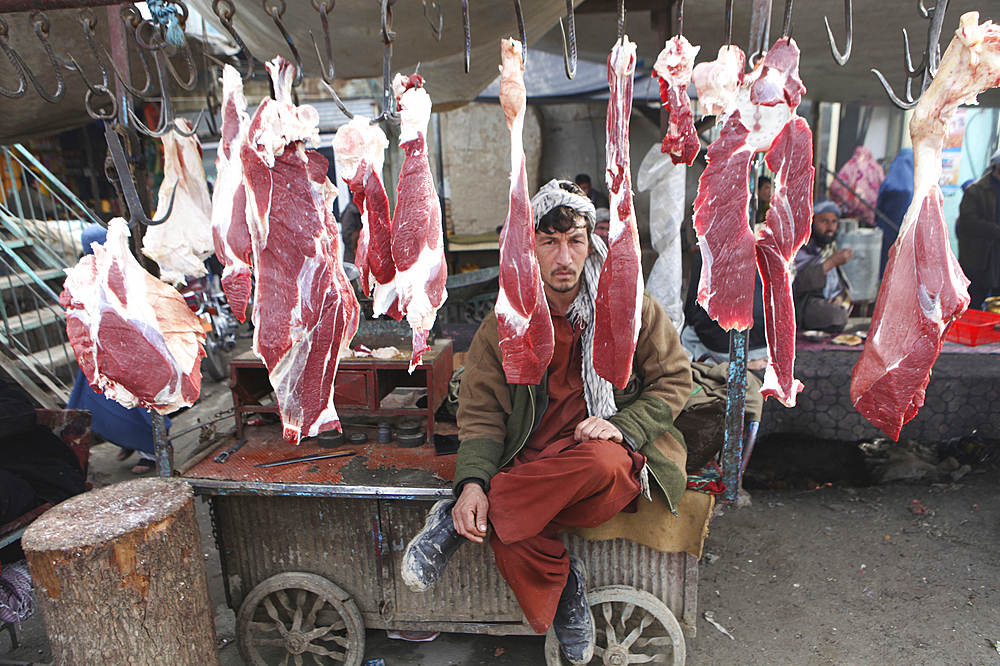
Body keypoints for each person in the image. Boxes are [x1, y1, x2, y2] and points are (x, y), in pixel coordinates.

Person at [401, 180, 692, 664]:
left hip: (600, 453)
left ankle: (455, 524)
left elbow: (676, 379)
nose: (563, 257)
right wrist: (472, 482)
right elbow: (481, 412)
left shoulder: (627, 303)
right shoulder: (506, 319)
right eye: (548, 241)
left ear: (590, 243)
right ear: (529, 247)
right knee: (514, 520)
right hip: (532, 460)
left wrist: (625, 425)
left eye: (574, 241)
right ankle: (567, 593)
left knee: (600, 462)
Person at [793, 199, 854, 333]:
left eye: (834, 222)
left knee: (838, 314)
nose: (830, 227)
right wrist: (831, 262)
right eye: (824, 221)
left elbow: (837, 283)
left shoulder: (828, 248)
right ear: (812, 223)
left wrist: (839, 297)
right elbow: (797, 284)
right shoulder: (800, 250)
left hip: (826, 302)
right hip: (804, 302)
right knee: (836, 317)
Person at [956, 148, 1000, 310]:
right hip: (979, 260)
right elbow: (968, 223)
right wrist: (996, 231)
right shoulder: (976, 191)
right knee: (972, 303)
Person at [874, 148, 913, 278]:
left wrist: (876, 217)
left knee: (882, 258)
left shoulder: (890, 180)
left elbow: (880, 202)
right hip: (903, 229)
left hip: (886, 225)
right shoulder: (913, 184)